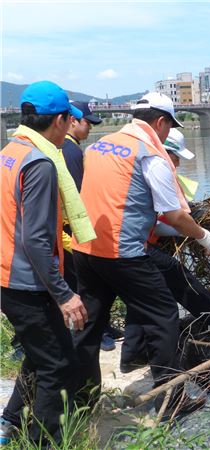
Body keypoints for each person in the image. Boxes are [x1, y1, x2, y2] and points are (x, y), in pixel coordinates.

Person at [70, 93, 210, 409]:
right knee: (163, 316)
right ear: (161, 122)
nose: (166, 134)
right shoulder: (150, 154)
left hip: (84, 250)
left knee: (90, 326)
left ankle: (81, 401)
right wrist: (204, 237)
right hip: (122, 253)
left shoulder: (99, 145)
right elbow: (176, 216)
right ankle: (172, 401)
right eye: (169, 127)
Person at [0, 81, 92, 445]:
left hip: (8, 276)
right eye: (69, 118)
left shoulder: (11, 151)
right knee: (59, 365)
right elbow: (36, 240)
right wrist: (64, 293)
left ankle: (10, 422)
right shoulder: (40, 163)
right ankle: (42, 441)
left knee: (41, 356)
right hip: (26, 282)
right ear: (59, 120)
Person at [120, 128, 210, 372]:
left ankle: (132, 355)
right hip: (134, 245)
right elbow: (173, 217)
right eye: (176, 157)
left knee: (140, 298)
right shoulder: (156, 168)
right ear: (166, 153)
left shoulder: (137, 166)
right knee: (175, 281)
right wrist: (201, 235)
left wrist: (181, 230)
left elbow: (156, 220)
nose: (178, 163)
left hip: (122, 244)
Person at [60, 101, 116, 352]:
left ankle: (103, 327)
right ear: (73, 120)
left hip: (73, 228)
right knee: (85, 286)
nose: (90, 129)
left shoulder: (70, 148)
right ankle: (97, 333)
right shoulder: (70, 152)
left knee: (90, 283)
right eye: (88, 123)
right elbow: (76, 194)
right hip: (72, 230)